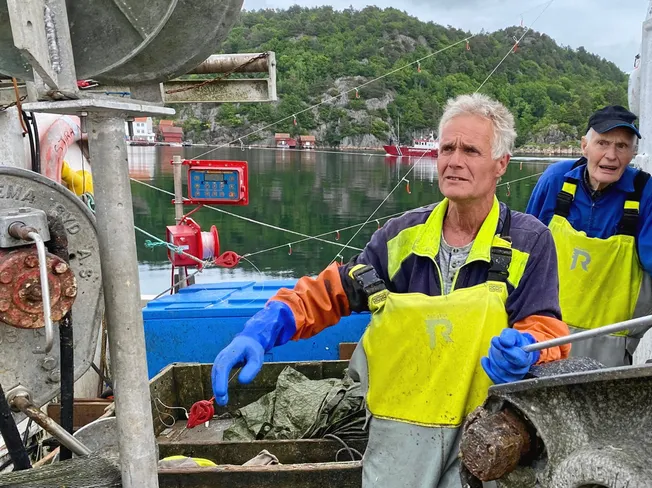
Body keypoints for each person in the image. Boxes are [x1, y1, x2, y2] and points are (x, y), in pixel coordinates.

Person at [210, 93, 570, 488]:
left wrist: (524, 350)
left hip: (485, 430)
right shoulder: (399, 236)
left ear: (501, 163)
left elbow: (547, 329)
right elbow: (332, 291)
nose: (454, 160)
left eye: (471, 150)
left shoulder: (530, 241)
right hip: (398, 434)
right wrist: (263, 330)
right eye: (447, 147)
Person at [525, 105, 652, 367]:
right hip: (544, 334)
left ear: (633, 153)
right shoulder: (555, 180)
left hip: (611, 346)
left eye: (622, 146)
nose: (611, 155)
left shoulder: (645, 193)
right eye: (603, 143)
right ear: (585, 146)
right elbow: (525, 250)